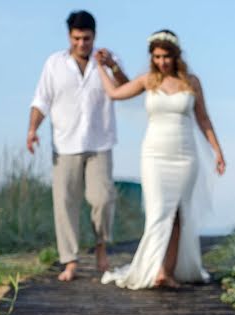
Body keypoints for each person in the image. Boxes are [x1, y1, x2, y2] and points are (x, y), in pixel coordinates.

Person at [96, 29, 225, 289]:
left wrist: (217, 151)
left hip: (185, 154)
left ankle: (166, 272)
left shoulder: (192, 82)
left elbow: (203, 118)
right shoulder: (147, 81)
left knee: (179, 213)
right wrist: (103, 67)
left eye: (166, 56)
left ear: (176, 56)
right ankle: (150, 268)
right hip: (155, 154)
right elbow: (115, 93)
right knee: (157, 212)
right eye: (156, 57)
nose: (162, 62)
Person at [27, 10, 129, 281]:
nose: (81, 44)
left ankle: (101, 248)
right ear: (69, 37)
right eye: (76, 38)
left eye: (86, 38)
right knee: (65, 202)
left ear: (94, 36)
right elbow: (41, 101)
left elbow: (126, 89)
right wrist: (32, 129)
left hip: (100, 142)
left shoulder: (108, 60)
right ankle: (70, 260)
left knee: (103, 198)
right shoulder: (54, 63)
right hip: (65, 143)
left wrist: (112, 67)